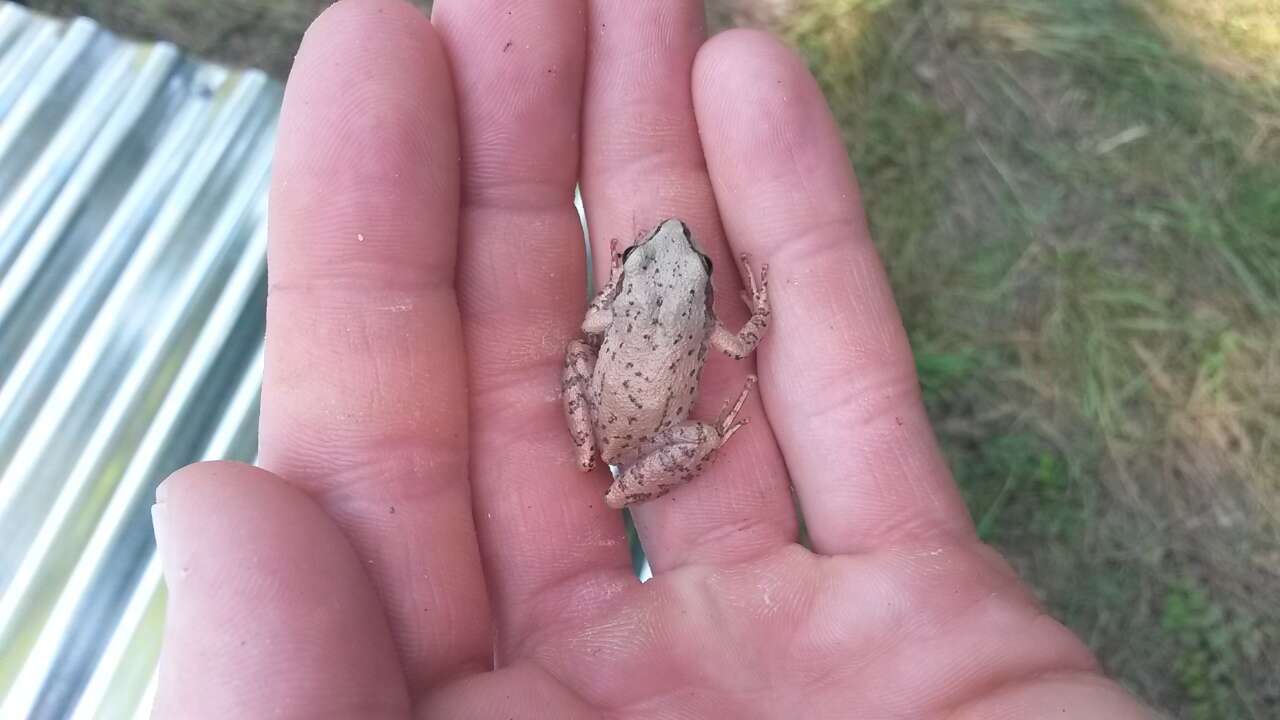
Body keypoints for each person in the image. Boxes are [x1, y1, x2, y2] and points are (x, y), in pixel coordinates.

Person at [149, 1, 1155, 717]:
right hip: (644, 428)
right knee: (657, 427)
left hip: (620, 419)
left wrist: (626, 314)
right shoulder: (707, 322)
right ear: (662, 280)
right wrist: (732, 342)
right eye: (648, 259)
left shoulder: (636, 307)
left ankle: (647, 436)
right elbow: (745, 338)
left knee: (615, 416)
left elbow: (594, 334)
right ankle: (672, 435)